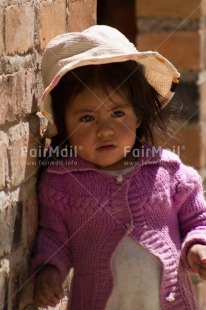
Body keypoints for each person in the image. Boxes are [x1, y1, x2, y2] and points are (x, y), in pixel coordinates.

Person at [31, 25, 206, 309]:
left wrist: (198, 247)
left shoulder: (169, 172)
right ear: (64, 125)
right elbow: (53, 238)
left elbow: (198, 220)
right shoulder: (61, 183)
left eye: (117, 113)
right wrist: (49, 271)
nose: (105, 130)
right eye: (87, 118)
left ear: (138, 115)